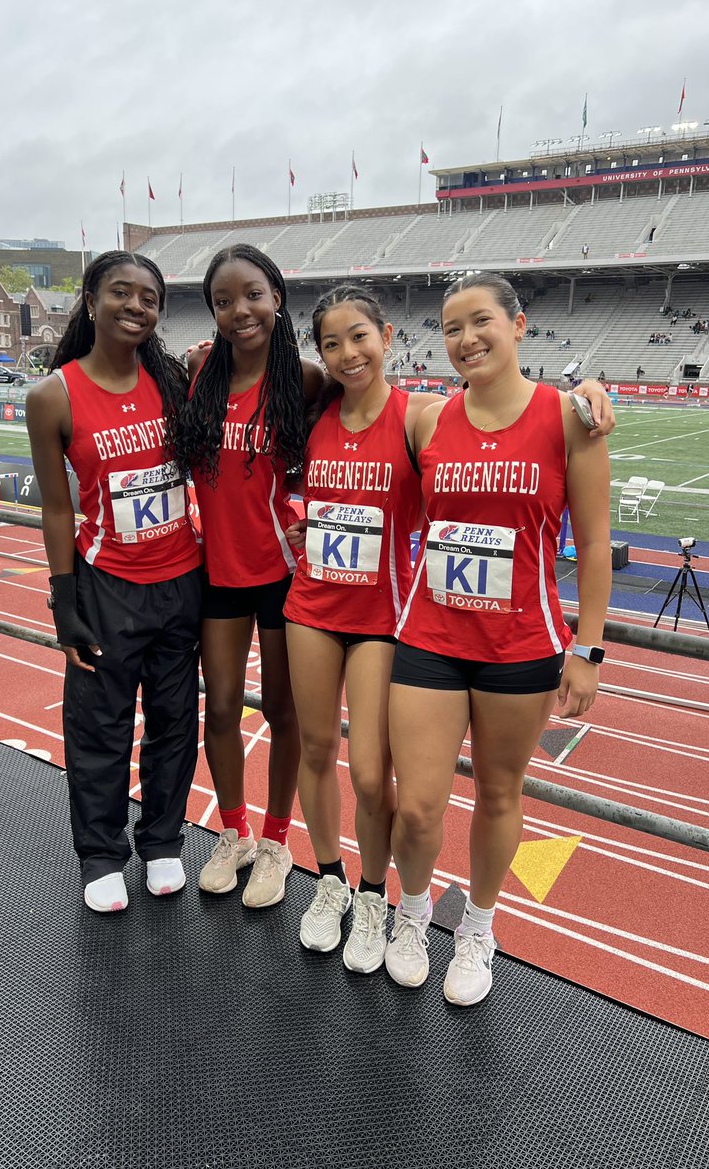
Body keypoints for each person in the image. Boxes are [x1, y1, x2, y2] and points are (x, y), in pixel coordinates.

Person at [384, 272, 611, 1006]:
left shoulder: (570, 416)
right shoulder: (426, 418)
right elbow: (344, 396)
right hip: (429, 636)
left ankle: (478, 927)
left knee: (497, 794)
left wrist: (588, 650)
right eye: (451, 328)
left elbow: (597, 546)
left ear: (519, 325)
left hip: (523, 645)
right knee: (416, 805)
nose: (466, 339)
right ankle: (412, 916)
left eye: (480, 321)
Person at [26, 250, 203, 914]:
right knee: (100, 727)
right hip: (107, 588)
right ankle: (100, 854)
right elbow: (55, 506)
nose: (136, 306)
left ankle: (161, 842)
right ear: (91, 299)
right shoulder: (54, 396)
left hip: (183, 582)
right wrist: (64, 598)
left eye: (149, 298)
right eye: (122, 293)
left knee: (173, 723)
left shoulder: (175, 380)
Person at [283, 286, 441, 971]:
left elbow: (508, 414)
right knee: (316, 751)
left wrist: (580, 396)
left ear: (388, 336)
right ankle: (330, 882)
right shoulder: (315, 412)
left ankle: (375, 896)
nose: (348, 354)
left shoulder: (419, 416)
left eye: (360, 337)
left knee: (373, 776)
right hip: (312, 607)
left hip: (382, 617)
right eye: (331, 343)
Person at [178, 244, 325, 909]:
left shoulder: (309, 380)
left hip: (281, 575)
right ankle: (232, 833)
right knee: (220, 707)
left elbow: (389, 403)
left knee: (283, 710)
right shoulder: (200, 371)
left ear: (278, 297)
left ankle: (274, 842)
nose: (240, 311)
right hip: (217, 572)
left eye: (252, 295)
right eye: (223, 300)